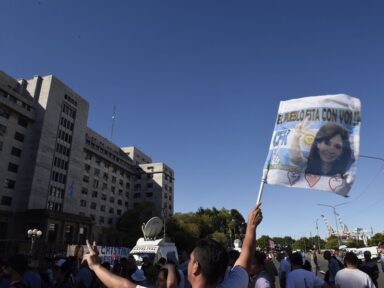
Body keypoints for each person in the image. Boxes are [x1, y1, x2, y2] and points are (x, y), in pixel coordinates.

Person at [83, 204, 263, 288]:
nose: (188, 263)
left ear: (196, 268)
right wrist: (251, 228)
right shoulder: (234, 284)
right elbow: (245, 259)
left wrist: (96, 266)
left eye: (191, 259)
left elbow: (123, 285)